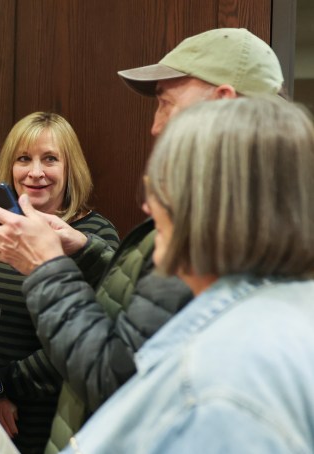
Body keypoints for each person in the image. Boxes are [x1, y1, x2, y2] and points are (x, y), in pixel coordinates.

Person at [0, 28, 285, 453]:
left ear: (223, 102)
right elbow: (131, 305)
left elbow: (114, 374)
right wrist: (79, 251)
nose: (155, 127)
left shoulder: (228, 222)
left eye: (166, 104)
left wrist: (46, 268)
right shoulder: (230, 203)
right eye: (24, 158)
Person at [63, 96, 314, 453]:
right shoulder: (286, 311)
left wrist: (48, 268)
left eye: (163, 186)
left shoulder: (221, 383)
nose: (148, 206)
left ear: (216, 204)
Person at [0, 112, 120, 453]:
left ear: (70, 167)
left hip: (55, 418)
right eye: (24, 159)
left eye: (50, 159)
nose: (35, 172)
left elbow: (89, 337)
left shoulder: (92, 236)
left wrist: (0, 386)